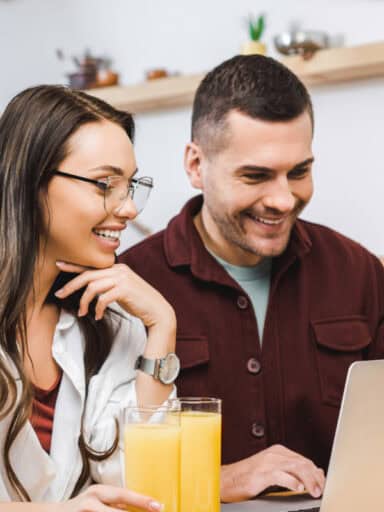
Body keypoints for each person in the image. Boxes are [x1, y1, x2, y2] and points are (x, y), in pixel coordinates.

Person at [119, 54, 384, 502]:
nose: (283, 199)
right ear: (196, 166)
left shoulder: (361, 274)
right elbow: (94, 468)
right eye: (256, 176)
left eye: (299, 172)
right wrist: (218, 479)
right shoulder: (130, 284)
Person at [0, 85, 180, 510]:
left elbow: (142, 485)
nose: (129, 209)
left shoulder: (109, 320)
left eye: (130, 186)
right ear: (31, 183)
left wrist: (162, 326)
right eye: (105, 184)